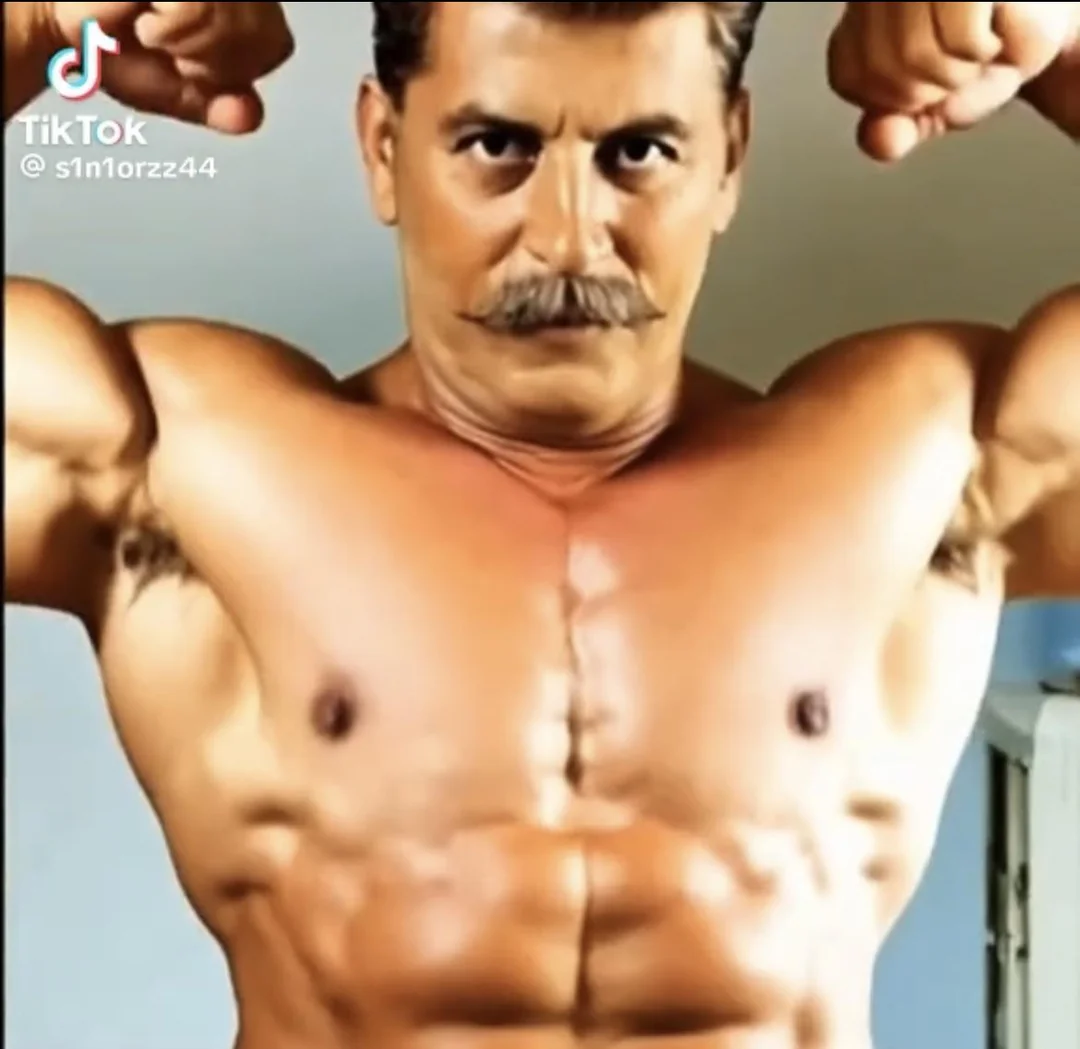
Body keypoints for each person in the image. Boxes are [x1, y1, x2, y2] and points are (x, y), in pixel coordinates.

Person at [5, 1, 1078, 1045]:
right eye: (497, 146)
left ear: (731, 155)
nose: (568, 240)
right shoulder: (181, 467)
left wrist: (1066, 43)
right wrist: (31, 26)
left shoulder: (921, 468)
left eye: (639, 152)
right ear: (383, 146)